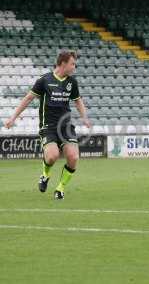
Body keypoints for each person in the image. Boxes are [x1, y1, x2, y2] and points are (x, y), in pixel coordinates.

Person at [5, 50, 91, 200]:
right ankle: (45, 175)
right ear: (63, 63)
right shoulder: (44, 80)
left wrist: (84, 117)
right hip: (48, 126)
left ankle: (60, 188)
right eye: (72, 64)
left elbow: (77, 100)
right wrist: (13, 118)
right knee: (52, 156)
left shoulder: (72, 82)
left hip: (65, 126)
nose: (74, 67)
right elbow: (28, 99)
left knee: (73, 157)